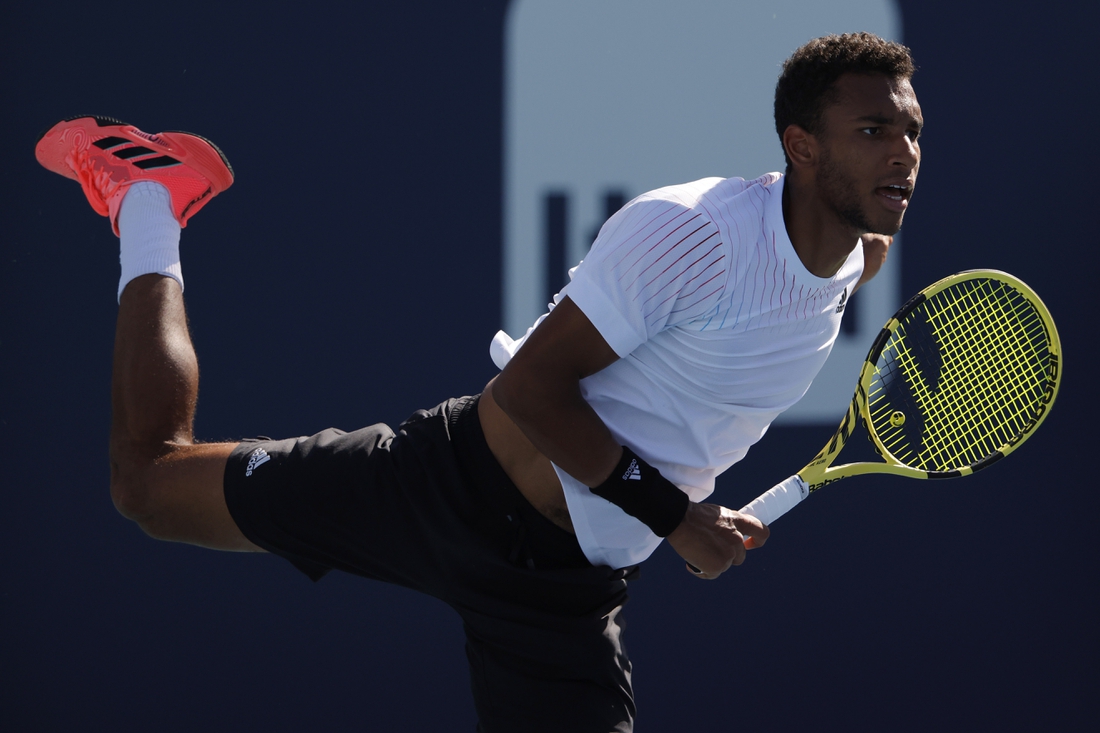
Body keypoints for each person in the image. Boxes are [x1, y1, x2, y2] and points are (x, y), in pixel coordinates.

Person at [35, 31, 921, 733]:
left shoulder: (860, 256)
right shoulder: (697, 233)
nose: (904, 154)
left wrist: (677, 516)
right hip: (450, 485)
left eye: (912, 130)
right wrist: (677, 518)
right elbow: (534, 390)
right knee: (147, 485)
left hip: (563, 594)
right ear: (801, 147)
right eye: (873, 131)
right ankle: (150, 198)